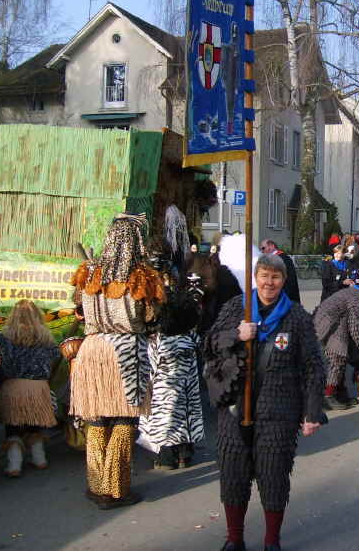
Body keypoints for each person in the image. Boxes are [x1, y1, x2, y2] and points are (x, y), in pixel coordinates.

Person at [203, 254, 325, 551]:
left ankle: (272, 540)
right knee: (233, 476)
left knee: (273, 477)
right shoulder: (237, 307)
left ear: (284, 280)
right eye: (264, 276)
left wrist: (312, 412)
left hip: (279, 410)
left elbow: (313, 366)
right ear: (255, 278)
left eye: (275, 277)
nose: (269, 282)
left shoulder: (296, 317)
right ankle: (234, 539)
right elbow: (209, 344)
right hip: (235, 407)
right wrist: (237, 334)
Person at [70, 213, 166, 509]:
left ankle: (98, 486)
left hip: (92, 349)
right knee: (124, 418)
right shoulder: (142, 276)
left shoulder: (88, 272)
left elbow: (78, 307)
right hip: (126, 351)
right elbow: (152, 317)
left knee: (97, 418)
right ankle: (116, 488)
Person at [138, 244, 204, 470]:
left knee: (164, 406)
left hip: (163, 357)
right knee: (185, 403)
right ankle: (184, 452)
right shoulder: (175, 278)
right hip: (185, 355)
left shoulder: (149, 282)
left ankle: (167, 454)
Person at [0, 300, 60, 477]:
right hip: (38, 387)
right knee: (34, 425)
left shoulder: (1, 339)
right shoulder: (47, 339)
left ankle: (14, 465)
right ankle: (39, 458)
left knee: (13, 426)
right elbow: (54, 360)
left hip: (12, 386)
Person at [313, 272, 359, 410]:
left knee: (343, 357)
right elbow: (356, 328)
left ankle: (340, 394)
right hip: (331, 324)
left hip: (336, 321)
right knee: (338, 358)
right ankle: (328, 396)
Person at [260, 240, 301, 304]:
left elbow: (289, 280)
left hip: (286, 297)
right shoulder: (276, 258)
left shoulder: (282, 258)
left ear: (271, 246)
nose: (262, 251)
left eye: (263, 248)